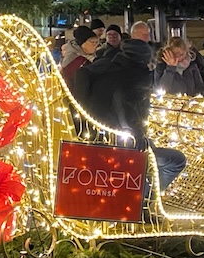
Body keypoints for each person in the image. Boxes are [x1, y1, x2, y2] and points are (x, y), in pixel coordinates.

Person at [71, 22, 187, 194]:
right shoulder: (135, 75)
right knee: (176, 160)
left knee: (147, 150)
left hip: (94, 137)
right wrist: (137, 134)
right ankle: (146, 203)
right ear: (144, 59)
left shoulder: (105, 66)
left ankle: (141, 199)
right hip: (119, 143)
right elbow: (125, 102)